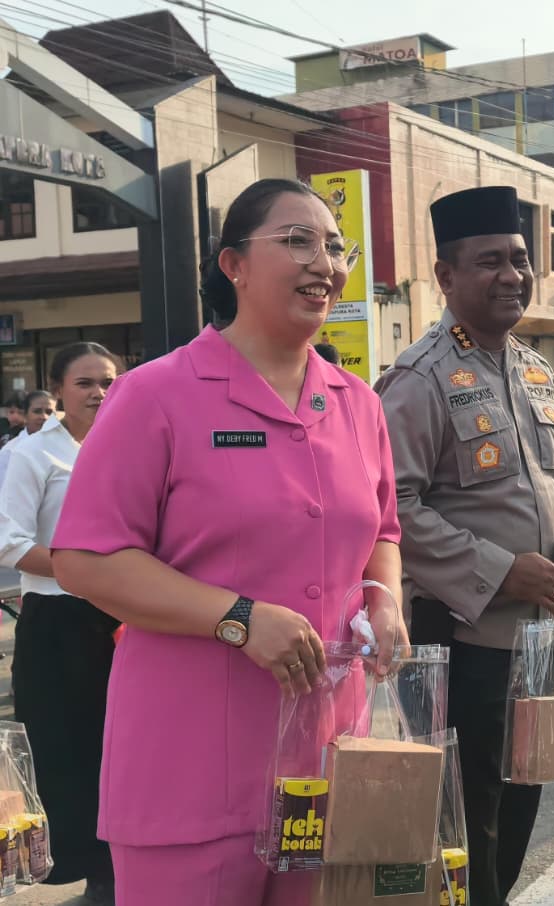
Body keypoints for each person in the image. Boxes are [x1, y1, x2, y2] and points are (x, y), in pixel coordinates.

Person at [49, 178, 405, 906]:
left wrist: (387, 600)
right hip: (190, 766)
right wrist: (237, 618)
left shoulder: (359, 404)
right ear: (233, 264)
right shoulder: (155, 394)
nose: (325, 263)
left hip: (327, 759)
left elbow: (383, 530)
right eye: (297, 241)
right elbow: (84, 558)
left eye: (335, 247)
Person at [375, 185, 554, 906]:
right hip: (461, 642)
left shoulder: (535, 370)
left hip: (537, 637)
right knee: (464, 817)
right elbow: (392, 507)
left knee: (523, 795)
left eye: (521, 259)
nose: (512, 275)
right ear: (445, 275)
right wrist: (501, 571)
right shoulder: (419, 378)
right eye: (490, 261)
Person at [0, 344, 118, 903]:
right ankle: (88, 870)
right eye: (85, 383)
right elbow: (11, 544)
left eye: (108, 382)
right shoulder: (32, 454)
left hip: (125, 613)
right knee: (65, 749)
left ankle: (123, 863)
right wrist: (88, 570)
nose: (99, 393)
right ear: (58, 390)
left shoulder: (127, 443)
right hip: (57, 619)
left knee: (120, 746)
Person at [0, 390, 55, 491]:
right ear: (25, 415)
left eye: (49, 412)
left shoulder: (66, 446)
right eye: (37, 411)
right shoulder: (10, 451)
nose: (44, 417)